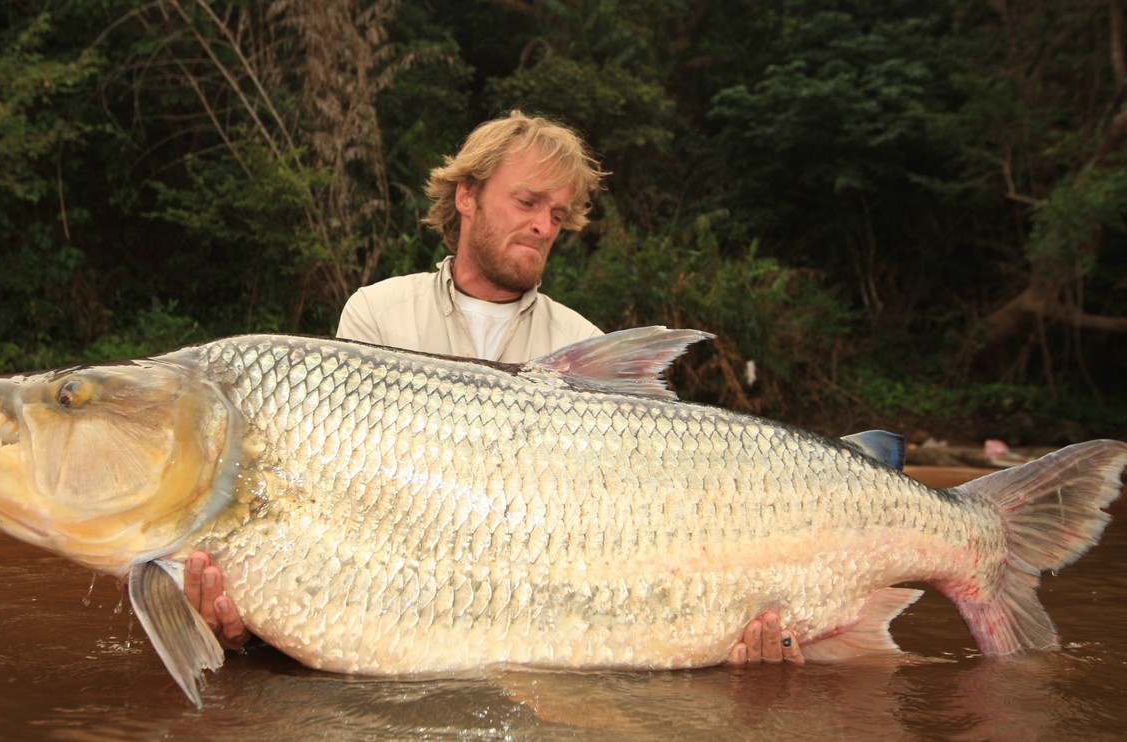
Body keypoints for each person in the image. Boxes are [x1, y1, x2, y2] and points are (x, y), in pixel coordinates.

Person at [185, 110, 803, 665]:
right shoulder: (376, 315)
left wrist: (726, 618)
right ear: (467, 196)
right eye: (528, 202)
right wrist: (256, 617)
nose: (543, 226)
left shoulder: (580, 339)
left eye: (557, 215)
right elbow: (340, 512)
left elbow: (624, 529)